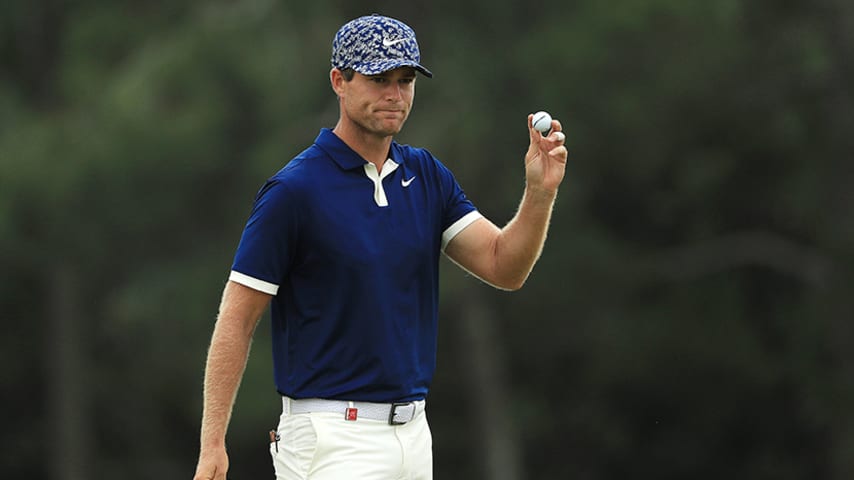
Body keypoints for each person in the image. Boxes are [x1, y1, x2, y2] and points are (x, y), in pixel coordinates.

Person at [193, 13, 567, 480]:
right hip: (330, 437)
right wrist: (212, 443)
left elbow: (504, 267)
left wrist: (540, 192)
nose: (394, 94)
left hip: (413, 436)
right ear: (339, 81)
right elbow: (237, 317)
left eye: (405, 80)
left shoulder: (426, 175)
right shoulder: (295, 191)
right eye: (378, 79)